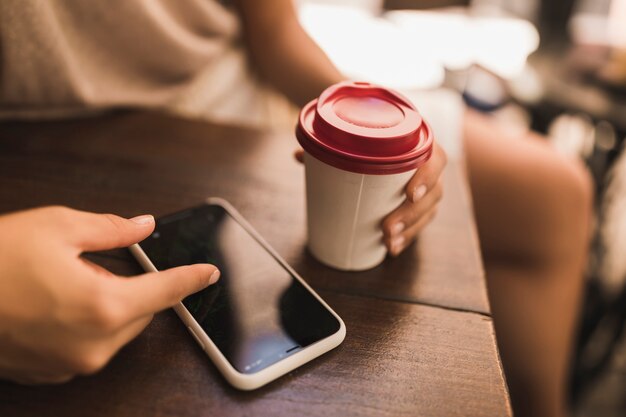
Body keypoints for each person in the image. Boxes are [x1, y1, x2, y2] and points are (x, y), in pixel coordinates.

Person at [0, 1, 592, 417]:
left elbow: (276, 31)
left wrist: (355, 117)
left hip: (241, 101)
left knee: (554, 192)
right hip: (44, 138)